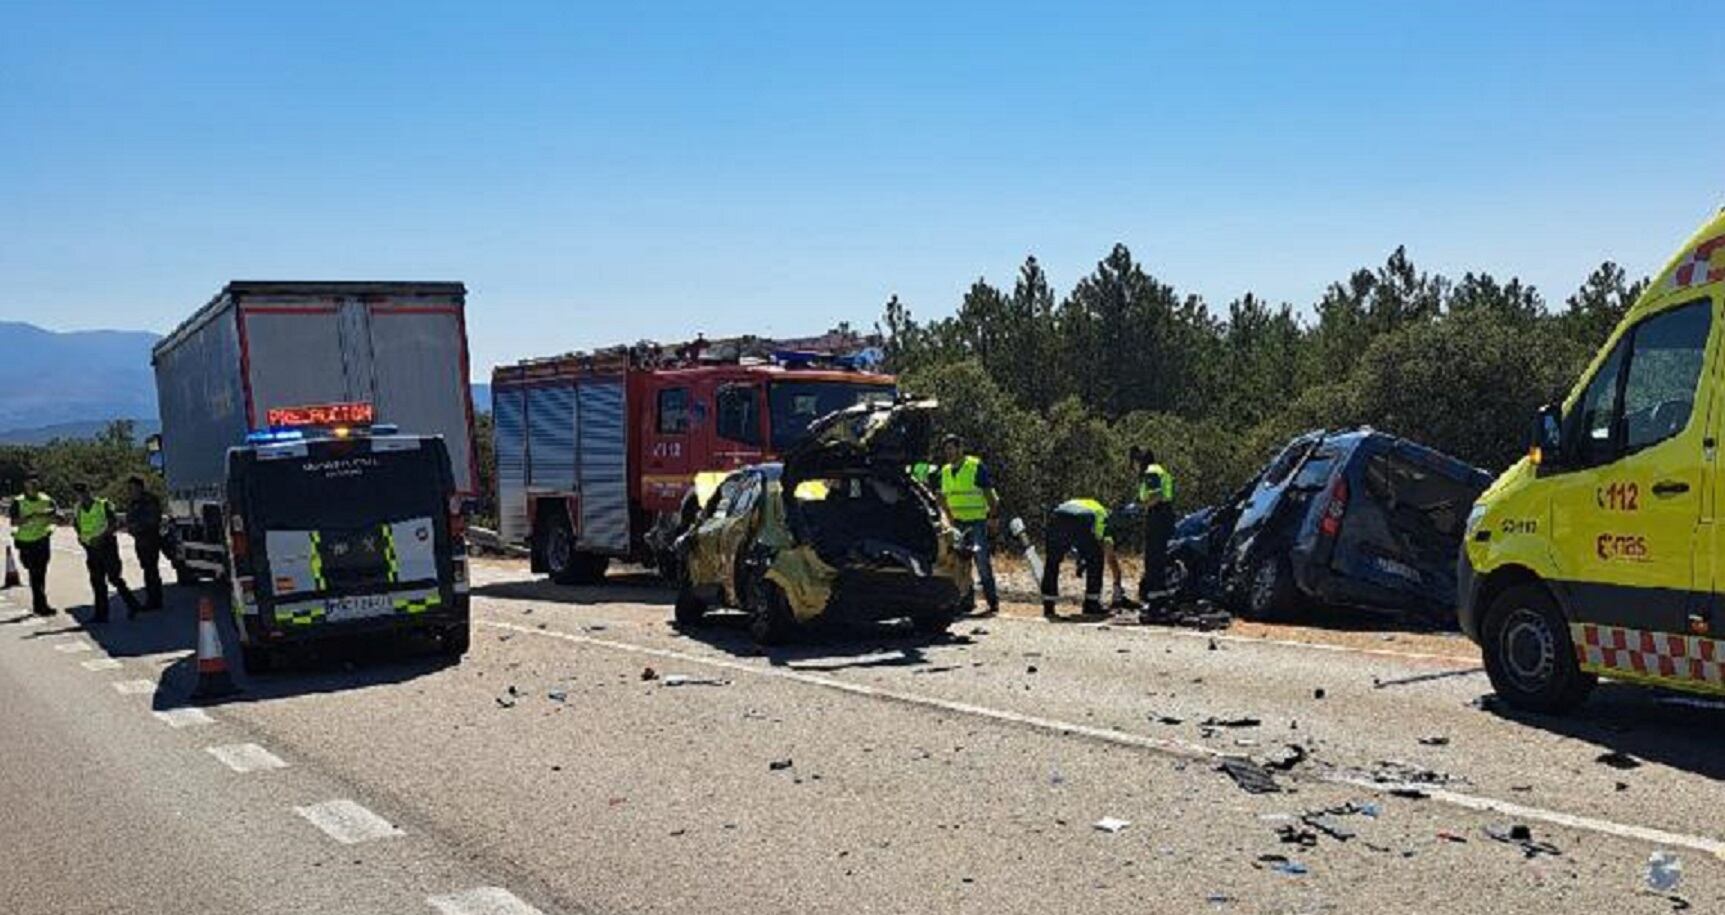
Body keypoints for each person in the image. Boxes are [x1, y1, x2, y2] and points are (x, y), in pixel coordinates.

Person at [937, 434, 1001, 616]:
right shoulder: (945, 471)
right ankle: (966, 601)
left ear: (960, 448)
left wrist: (993, 518)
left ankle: (992, 602)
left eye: (951, 448)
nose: (948, 452)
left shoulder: (975, 466)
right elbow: (944, 499)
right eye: (946, 449)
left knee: (981, 562)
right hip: (957, 523)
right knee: (960, 565)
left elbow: (990, 494)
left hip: (976, 522)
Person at [1040, 498, 1125, 620]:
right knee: (1096, 558)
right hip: (1082, 518)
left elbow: (1076, 542)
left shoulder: (1086, 503)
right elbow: (1108, 553)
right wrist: (1117, 581)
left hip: (1057, 515)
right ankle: (1092, 603)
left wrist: (1082, 558)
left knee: (1052, 562)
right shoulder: (1103, 516)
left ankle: (1048, 605)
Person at [72, 481, 142, 623]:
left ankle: (132, 604)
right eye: (79, 494)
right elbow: (77, 525)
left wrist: (100, 537)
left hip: (107, 546)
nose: (82, 496)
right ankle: (101, 614)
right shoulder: (77, 508)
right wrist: (82, 538)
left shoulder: (103, 505)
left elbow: (113, 524)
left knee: (114, 578)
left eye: (84, 492)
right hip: (91, 548)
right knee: (97, 582)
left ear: (89, 492)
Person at [1132, 446, 1176, 608]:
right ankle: (1159, 595)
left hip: (1158, 514)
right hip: (1164, 514)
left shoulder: (1151, 472)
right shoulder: (1158, 470)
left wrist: (1140, 506)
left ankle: (1155, 598)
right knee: (1159, 555)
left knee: (1153, 556)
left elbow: (1156, 496)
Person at [8, 475, 57, 616]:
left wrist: (50, 523)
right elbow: (14, 522)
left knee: (39, 574)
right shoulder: (18, 501)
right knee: (34, 573)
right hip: (25, 542)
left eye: (36, 483)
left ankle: (40, 605)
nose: (34, 486)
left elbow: (57, 517)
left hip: (42, 540)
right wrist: (30, 517)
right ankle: (40, 604)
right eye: (31, 483)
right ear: (25, 485)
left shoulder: (47, 500)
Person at [124, 475, 164, 611]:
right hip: (140, 540)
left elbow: (152, 520)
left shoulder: (149, 501)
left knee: (151, 570)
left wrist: (136, 527)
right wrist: (130, 528)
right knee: (147, 569)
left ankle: (154, 600)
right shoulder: (133, 503)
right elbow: (129, 519)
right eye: (129, 489)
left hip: (150, 539)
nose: (130, 491)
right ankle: (152, 598)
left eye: (132, 488)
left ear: (139, 487)